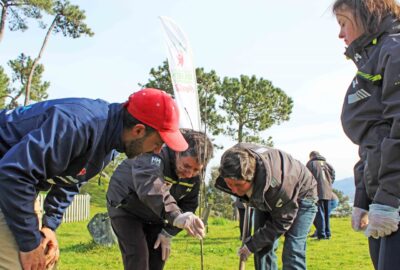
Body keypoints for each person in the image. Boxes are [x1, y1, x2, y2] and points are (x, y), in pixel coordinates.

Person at [0, 87, 189, 270]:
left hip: (17, 184)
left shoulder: (113, 141)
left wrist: (49, 225)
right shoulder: (77, 126)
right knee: (23, 263)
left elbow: (73, 179)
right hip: (8, 179)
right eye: (158, 143)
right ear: (138, 130)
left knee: (43, 260)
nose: (158, 151)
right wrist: (29, 243)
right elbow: (12, 174)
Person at [333, 0, 400, 269]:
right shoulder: (374, 60)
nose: (340, 34)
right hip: (383, 196)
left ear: (366, 15)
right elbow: (373, 141)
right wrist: (362, 197)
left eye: (343, 22)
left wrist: (389, 198)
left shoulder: (394, 52)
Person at [107, 129, 213, 270]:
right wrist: (175, 216)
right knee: (138, 257)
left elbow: (188, 205)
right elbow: (151, 187)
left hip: (157, 214)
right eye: (186, 166)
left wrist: (168, 232)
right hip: (126, 208)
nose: (189, 173)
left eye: (196, 170)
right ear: (177, 151)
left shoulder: (194, 176)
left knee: (158, 258)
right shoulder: (154, 152)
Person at [215, 143, 317, 270]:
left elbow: (282, 221)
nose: (234, 190)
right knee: (262, 247)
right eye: (229, 184)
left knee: (292, 250)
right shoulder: (233, 158)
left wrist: (251, 245)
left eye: (239, 185)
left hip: (302, 195)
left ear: (252, 179)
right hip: (267, 193)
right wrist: (255, 244)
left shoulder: (279, 186)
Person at [306, 151, 335, 239]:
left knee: (320, 214)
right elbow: (333, 175)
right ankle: (328, 233)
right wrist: (329, 184)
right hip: (328, 192)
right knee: (326, 214)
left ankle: (321, 234)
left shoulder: (311, 164)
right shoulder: (327, 164)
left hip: (317, 192)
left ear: (311, 156)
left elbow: (307, 177)